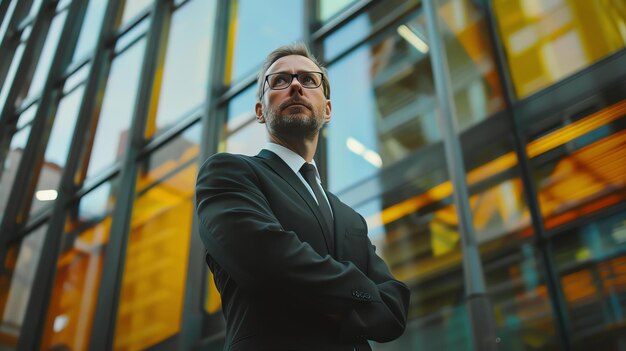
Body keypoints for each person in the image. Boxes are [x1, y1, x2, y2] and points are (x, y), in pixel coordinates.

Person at [195, 43, 410, 351]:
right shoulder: (228, 174)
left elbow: (395, 307)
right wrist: (361, 295)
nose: (295, 85)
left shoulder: (350, 218)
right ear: (260, 111)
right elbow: (267, 259)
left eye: (309, 80)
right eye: (280, 80)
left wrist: (323, 298)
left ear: (328, 109)